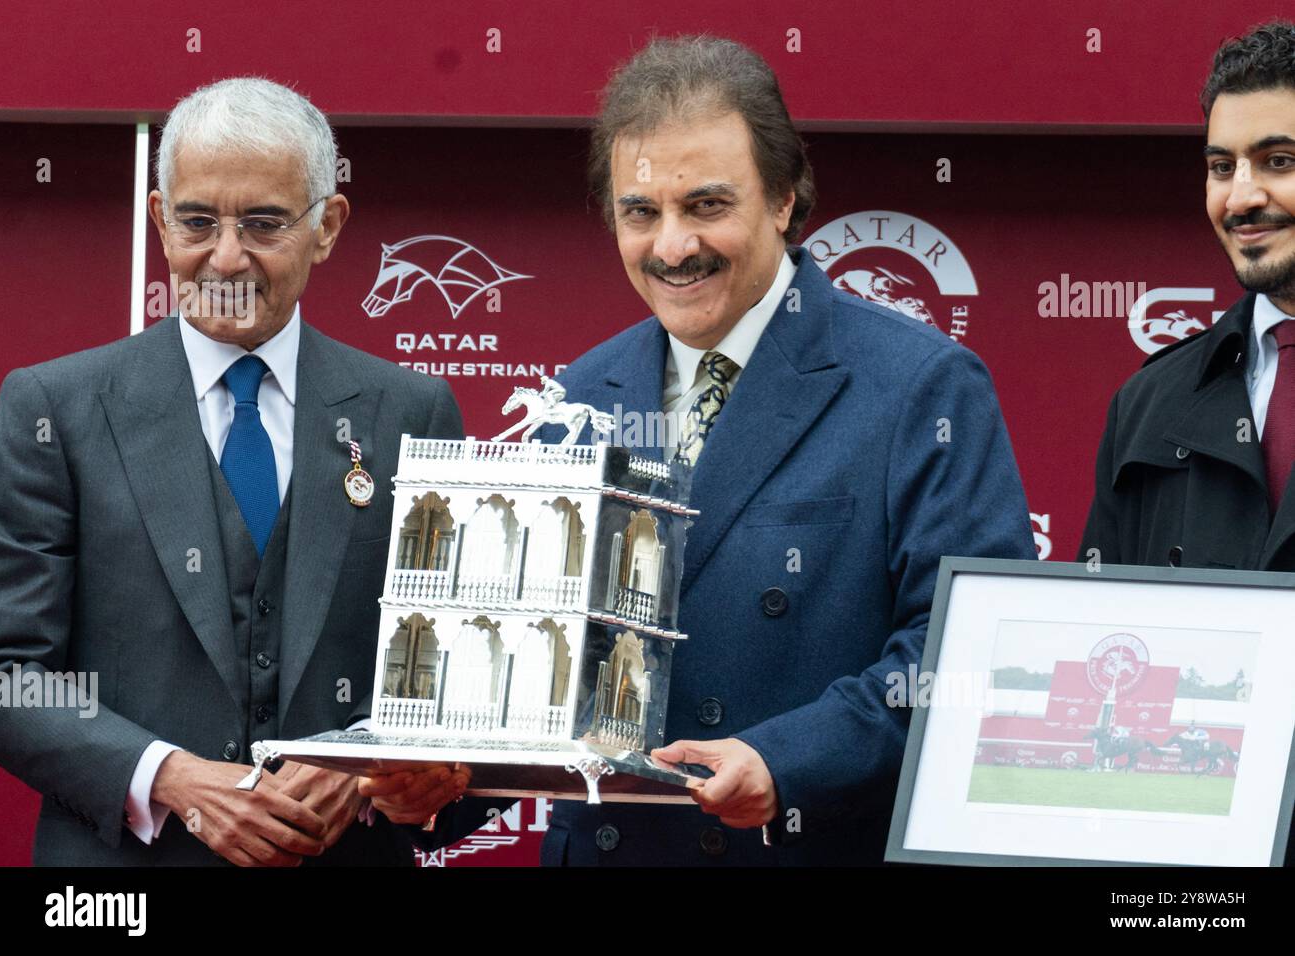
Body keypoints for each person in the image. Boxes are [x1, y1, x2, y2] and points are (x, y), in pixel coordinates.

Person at [405, 35, 1036, 866]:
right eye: (641, 212)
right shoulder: (581, 396)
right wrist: (442, 784)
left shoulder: (921, 386)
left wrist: (787, 760)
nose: (671, 248)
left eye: (706, 206)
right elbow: (541, 673)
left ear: (783, 198)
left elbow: (968, 650)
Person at [0, 77, 468, 865]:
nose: (225, 255)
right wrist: (169, 777)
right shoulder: (54, 408)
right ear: (158, 220)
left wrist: (366, 761)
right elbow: (11, 675)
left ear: (328, 227)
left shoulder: (412, 411)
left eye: (263, 223)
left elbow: (452, 667)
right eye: (197, 221)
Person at [1080, 21, 1295, 574]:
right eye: (1222, 168)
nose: (1241, 198)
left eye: (1280, 161)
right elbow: (1102, 633)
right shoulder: (1148, 401)